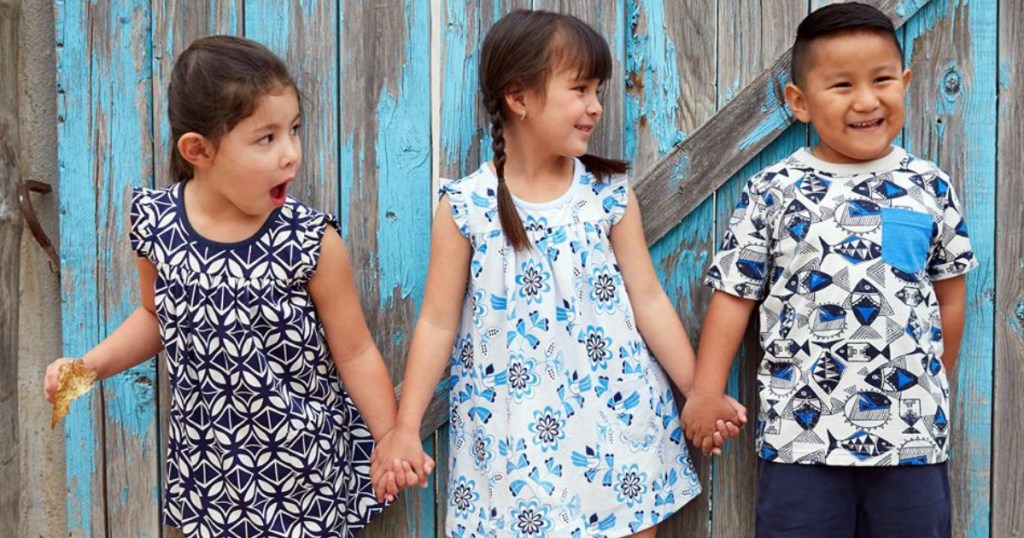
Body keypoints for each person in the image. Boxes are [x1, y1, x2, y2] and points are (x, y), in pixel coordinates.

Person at [371, 10, 744, 538]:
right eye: (580, 89)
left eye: (599, 91)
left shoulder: (606, 194)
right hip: (512, 432)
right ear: (518, 98)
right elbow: (436, 322)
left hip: (614, 418)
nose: (595, 106)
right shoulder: (468, 206)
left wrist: (698, 390)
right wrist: (406, 426)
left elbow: (649, 300)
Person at [42, 35, 421, 537]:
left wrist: (390, 437)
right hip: (209, 478)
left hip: (306, 477)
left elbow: (354, 352)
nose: (290, 154)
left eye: (294, 131)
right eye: (267, 138)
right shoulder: (156, 225)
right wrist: (90, 366)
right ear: (199, 150)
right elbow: (155, 317)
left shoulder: (309, 240)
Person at [683, 4, 977, 537]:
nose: (867, 100)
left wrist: (933, 386)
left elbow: (950, 297)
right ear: (799, 102)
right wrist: (705, 390)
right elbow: (734, 294)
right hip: (802, 441)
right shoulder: (774, 191)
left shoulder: (929, 187)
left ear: (905, 83)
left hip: (911, 442)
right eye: (841, 85)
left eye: (882, 80)